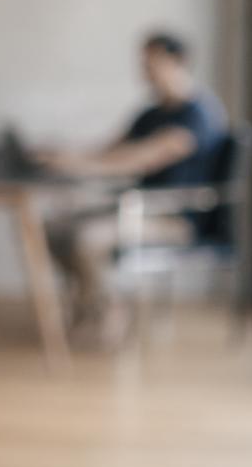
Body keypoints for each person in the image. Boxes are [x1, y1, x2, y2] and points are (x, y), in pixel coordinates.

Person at [30, 31, 231, 342]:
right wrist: (63, 153)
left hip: (176, 219)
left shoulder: (199, 115)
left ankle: (110, 307)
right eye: (143, 63)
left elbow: (142, 159)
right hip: (138, 208)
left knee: (87, 237)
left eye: (152, 63)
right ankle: (94, 302)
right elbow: (109, 149)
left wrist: (76, 166)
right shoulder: (151, 113)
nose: (145, 71)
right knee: (50, 228)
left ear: (179, 62)